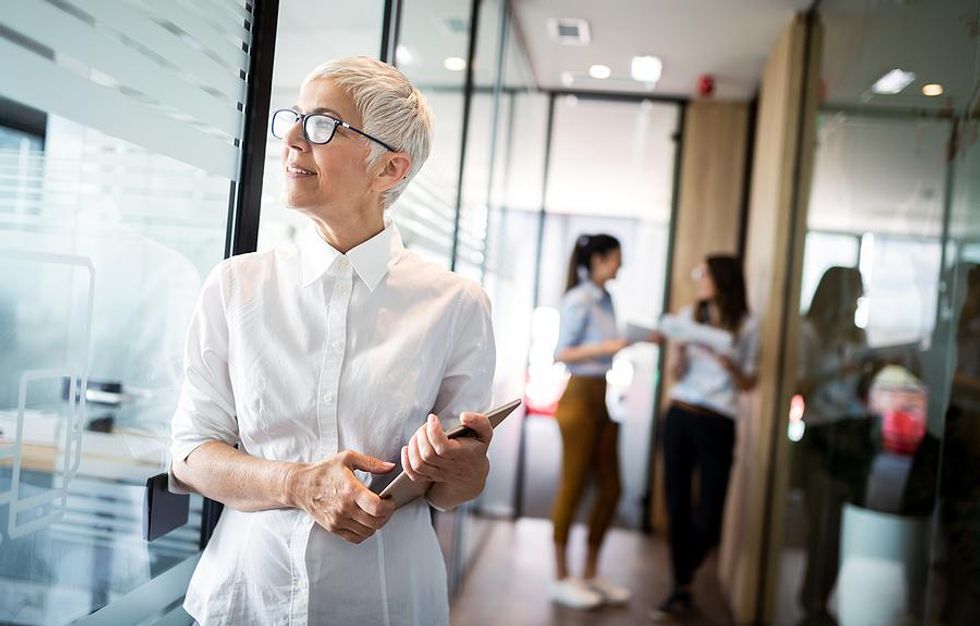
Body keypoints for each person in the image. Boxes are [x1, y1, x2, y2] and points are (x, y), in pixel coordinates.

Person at [168, 57, 496, 626]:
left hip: (385, 604)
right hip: (246, 599)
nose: (293, 138)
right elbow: (192, 454)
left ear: (389, 169)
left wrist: (465, 471)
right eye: (294, 117)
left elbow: (450, 488)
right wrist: (296, 484)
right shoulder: (235, 285)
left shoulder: (457, 304)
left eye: (322, 125)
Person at [652, 255, 759, 622]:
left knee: (710, 518)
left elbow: (750, 383)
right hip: (680, 414)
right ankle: (681, 588)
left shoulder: (747, 325)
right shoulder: (687, 316)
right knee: (676, 505)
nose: (699, 280)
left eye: (705, 274)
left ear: (722, 280)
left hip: (718, 421)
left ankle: (682, 580)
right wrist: (680, 352)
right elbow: (675, 374)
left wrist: (728, 363)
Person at [549, 233, 643, 609]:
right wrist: (609, 347)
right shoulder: (579, 299)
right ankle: (559, 577)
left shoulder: (606, 298)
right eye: (617, 257)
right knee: (572, 487)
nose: (621, 264)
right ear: (601, 260)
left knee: (611, 488)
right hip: (577, 398)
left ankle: (590, 571)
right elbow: (561, 353)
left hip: (600, 396)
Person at [793, 266, 876, 626]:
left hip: (856, 435)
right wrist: (837, 373)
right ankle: (811, 603)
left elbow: (861, 392)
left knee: (845, 528)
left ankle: (824, 601)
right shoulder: (808, 332)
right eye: (855, 291)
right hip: (822, 435)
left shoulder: (857, 333)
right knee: (822, 525)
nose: (859, 299)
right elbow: (799, 387)